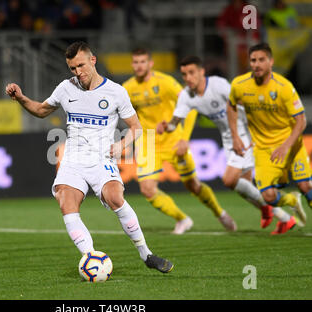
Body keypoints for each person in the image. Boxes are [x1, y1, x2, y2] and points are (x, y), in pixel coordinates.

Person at [5, 41, 173, 273]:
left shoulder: (116, 92)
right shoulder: (66, 88)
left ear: (92, 60)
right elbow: (42, 110)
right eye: (72, 68)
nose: (78, 72)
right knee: (66, 201)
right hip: (73, 159)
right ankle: (91, 259)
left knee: (115, 198)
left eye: (81, 66)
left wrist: (122, 145)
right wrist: (22, 98)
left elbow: (136, 128)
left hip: (102, 158)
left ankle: (147, 255)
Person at [158, 55, 294, 234]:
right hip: (229, 136)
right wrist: (166, 126)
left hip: (245, 131)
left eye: (191, 73)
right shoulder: (186, 95)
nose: (188, 78)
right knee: (244, 186)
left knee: (230, 180)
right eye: (184, 74)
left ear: (201, 72)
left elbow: (243, 102)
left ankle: (273, 210)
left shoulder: (218, 85)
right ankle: (281, 216)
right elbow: (175, 123)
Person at [122, 48, 236, 235]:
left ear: (150, 63)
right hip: (148, 143)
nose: (139, 65)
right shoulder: (128, 88)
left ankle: (219, 212)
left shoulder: (165, 83)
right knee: (148, 190)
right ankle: (182, 219)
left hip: (174, 140)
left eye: (143, 61)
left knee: (193, 185)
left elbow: (189, 107)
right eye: (135, 62)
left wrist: (184, 139)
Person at [227, 42, 310, 234]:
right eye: (253, 60)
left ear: (271, 62)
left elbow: (301, 121)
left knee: (306, 187)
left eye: (261, 60)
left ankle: (301, 195)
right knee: (269, 196)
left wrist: (286, 146)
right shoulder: (239, 85)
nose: (256, 64)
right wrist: (235, 137)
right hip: (263, 149)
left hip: (291, 145)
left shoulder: (284, 87)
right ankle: (291, 200)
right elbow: (231, 106)